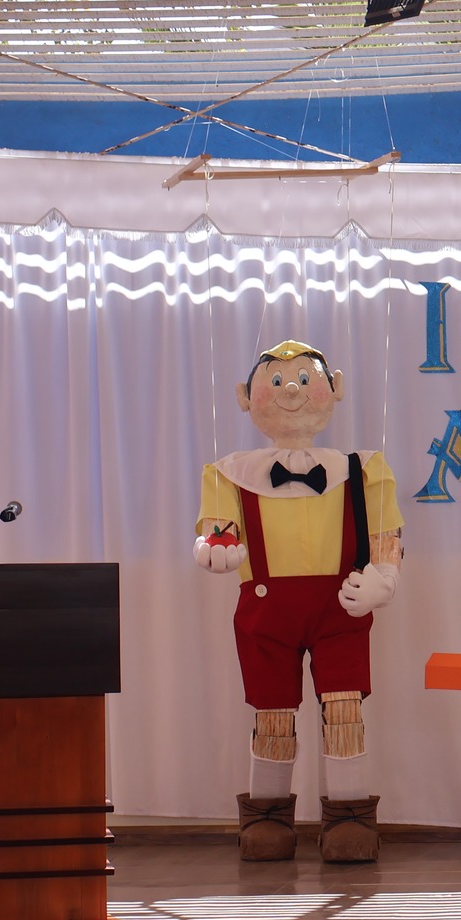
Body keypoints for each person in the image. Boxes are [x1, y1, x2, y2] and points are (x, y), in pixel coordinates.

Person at [194, 340, 404, 862]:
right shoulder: (227, 473)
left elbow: (386, 535)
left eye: (306, 379)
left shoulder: (364, 468)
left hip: (342, 607)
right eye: (278, 380)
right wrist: (212, 550)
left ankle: (350, 816)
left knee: (344, 708)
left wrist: (385, 578)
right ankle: (267, 816)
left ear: (334, 389)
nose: (292, 389)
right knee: (272, 712)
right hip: (266, 610)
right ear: (247, 397)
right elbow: (217, 534)